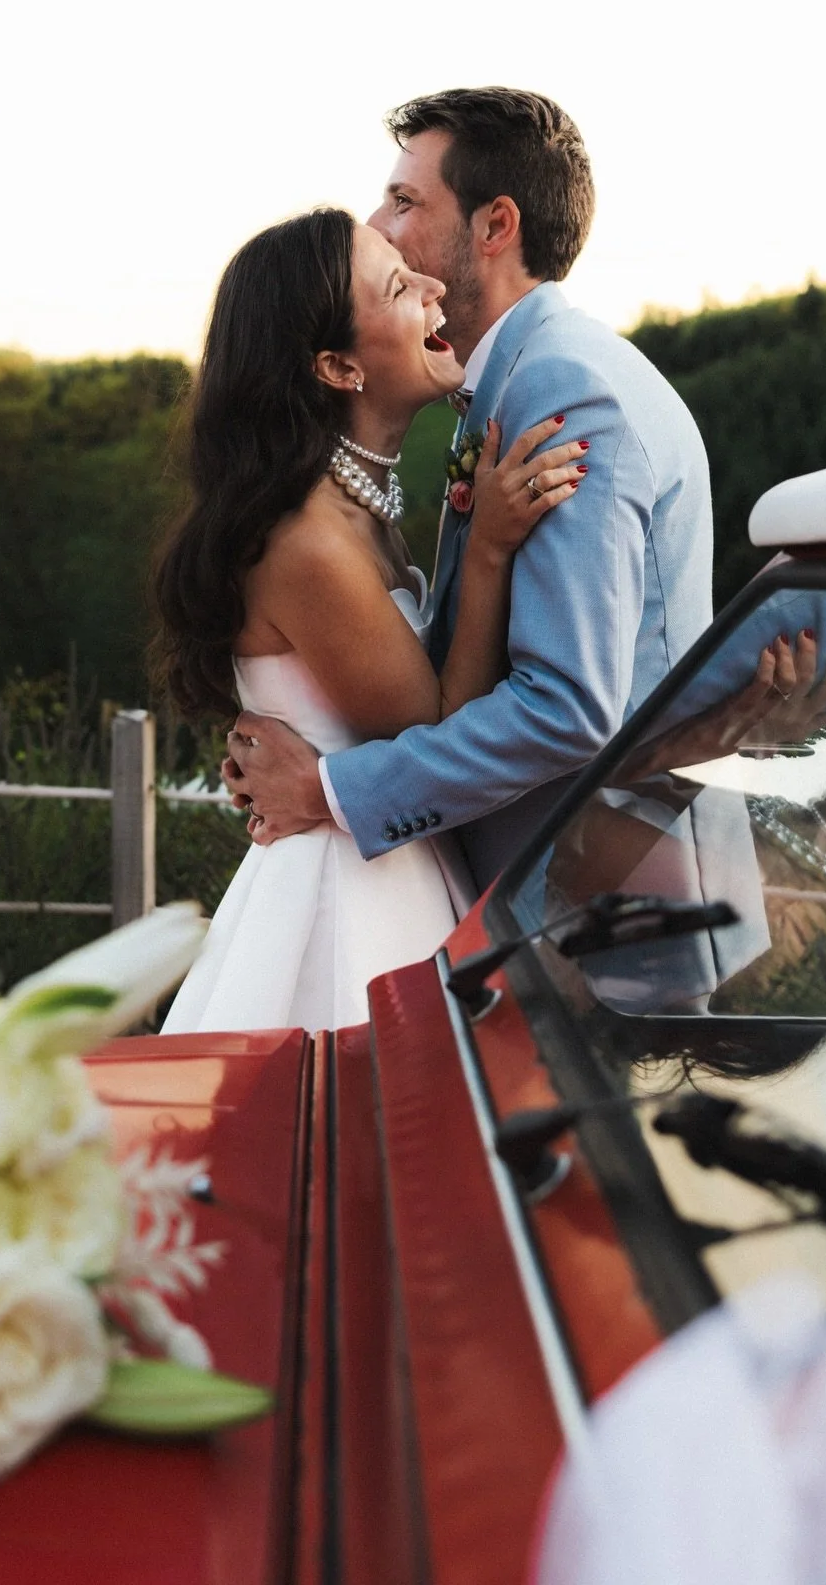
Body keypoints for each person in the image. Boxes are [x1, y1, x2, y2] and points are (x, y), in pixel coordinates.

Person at [224, 87, 714, 891]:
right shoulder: (508, 386)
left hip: (594, 908)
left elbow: (567, 707)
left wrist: (328, 787)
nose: (379, 224)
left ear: (495, 226)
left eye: (405, 199)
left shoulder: (561, 390)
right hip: (539, 901)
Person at [153, 206, 585, 1032]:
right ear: (339, 366)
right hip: (347, 901)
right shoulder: (308, 540)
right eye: (398, 285)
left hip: (391, 859)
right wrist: (488, 549)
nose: (432, 286)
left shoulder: (349, 509)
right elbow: (440, 723)